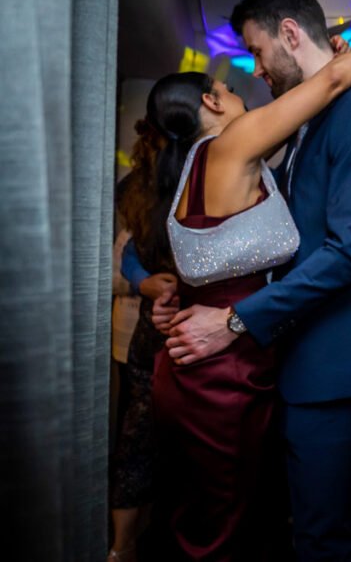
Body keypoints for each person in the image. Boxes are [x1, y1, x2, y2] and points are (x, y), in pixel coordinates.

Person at [148, 0, 351, 558]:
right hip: (273, 358)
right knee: (269, 523)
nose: (253, 70)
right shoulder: (282, 129)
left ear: (290, 33)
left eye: (256, 51)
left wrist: (231, 316)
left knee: (321, 535)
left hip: (329, 366)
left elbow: (349, 252)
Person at [108, 138, 184, 562]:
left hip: (206, 336)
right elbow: (131, 251)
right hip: (154, 339)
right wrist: (144, 281)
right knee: (137, 443)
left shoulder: (216, 178)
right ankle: (123, 548)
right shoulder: (141, 189)